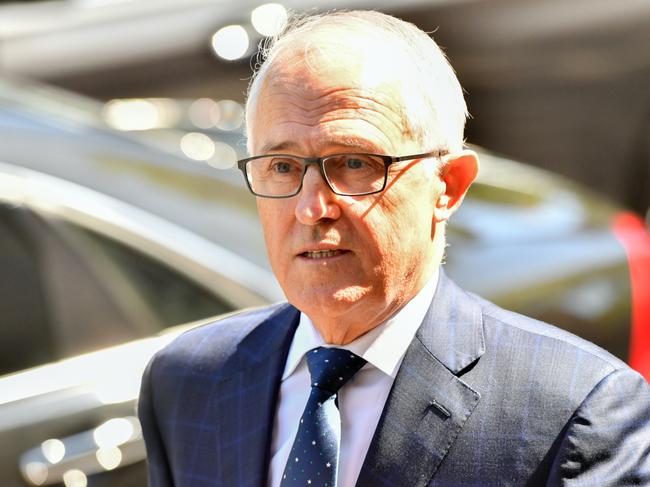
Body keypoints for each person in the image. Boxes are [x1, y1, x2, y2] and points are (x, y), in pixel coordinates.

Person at [138, 10, 650, 486]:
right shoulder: (186, 383)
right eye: (282, 166)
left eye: (355, 164)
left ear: (447, 186)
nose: (312, 208)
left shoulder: (577, 411)